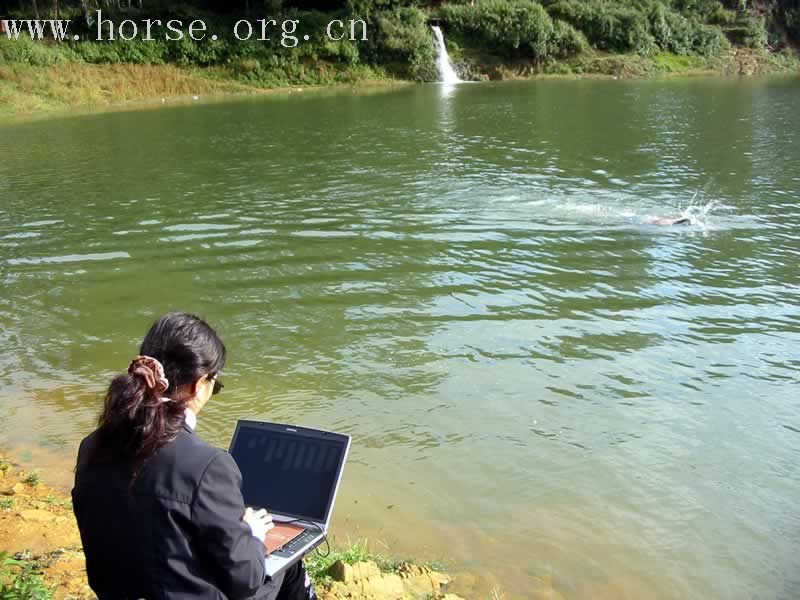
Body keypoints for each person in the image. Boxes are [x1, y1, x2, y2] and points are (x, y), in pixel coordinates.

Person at [72, 312, 317, 600]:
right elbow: (246, 580)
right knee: (284, 565)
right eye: (215, 382)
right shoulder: (207, 466)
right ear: (198, 384)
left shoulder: (91, 446)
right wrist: (250, 533)